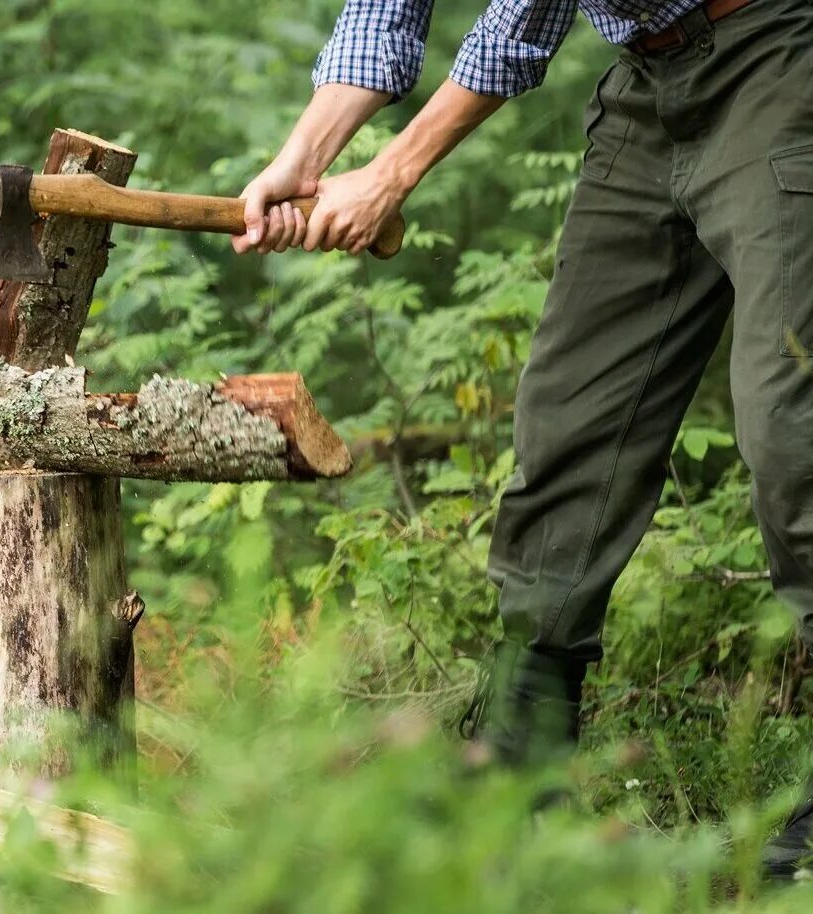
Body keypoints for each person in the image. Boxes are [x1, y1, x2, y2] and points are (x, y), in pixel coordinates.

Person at [232, 0, 813, 876]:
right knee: (571, 418)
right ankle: (519, 763)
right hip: (649, 85)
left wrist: (392, 172)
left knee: (790, 428)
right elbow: (385, 14)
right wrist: (303, 158)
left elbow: (527, 14)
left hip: (779, 53)